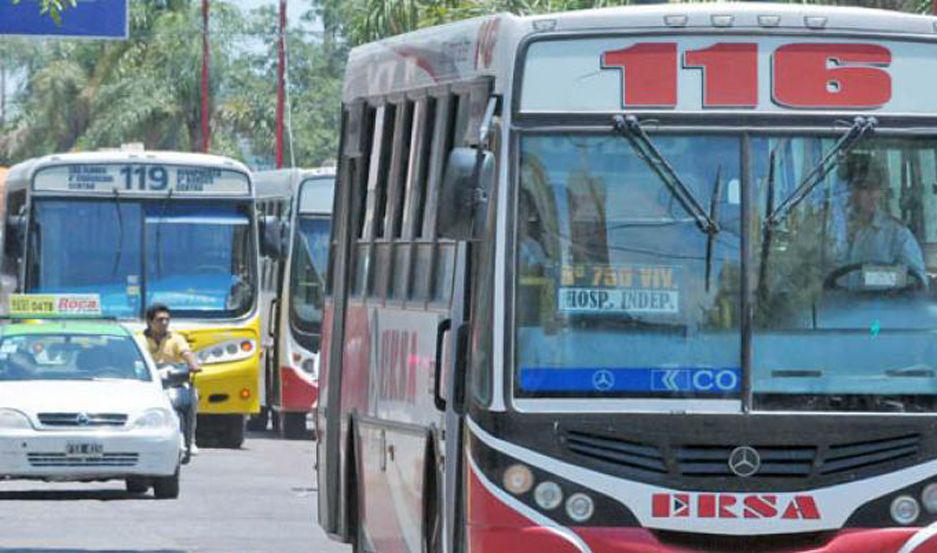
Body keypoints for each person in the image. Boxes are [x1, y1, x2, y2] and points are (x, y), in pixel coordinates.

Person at [840, 157, 927, 288]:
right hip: (828, 306)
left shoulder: (897, 234)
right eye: (865, 188)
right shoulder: (828, 228)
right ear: (850, 190)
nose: (872, 194)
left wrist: (873, 277)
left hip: (881, 305)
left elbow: (918, 281)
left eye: (876, 188)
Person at [144, 303, 202, 456]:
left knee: (192, 397)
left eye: (166, 320)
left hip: (173, 381)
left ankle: (191, 440)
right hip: (149, 384)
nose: (164, 323)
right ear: (150, 322)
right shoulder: (140, 339)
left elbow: (186, 353)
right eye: (159, 320)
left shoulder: (176, 338)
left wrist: (193, 364)